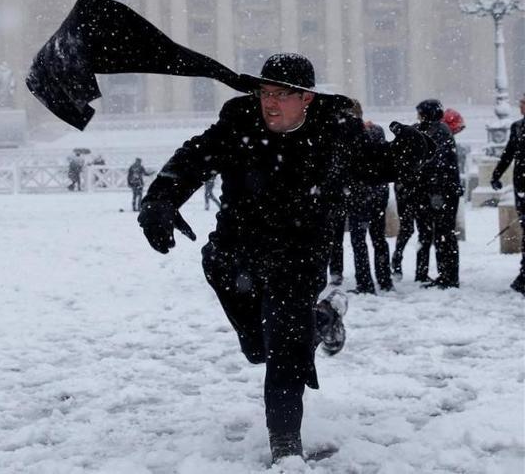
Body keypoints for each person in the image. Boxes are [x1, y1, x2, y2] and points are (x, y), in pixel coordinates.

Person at [136, 53, 431, 463]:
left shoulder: (336, 127)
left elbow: (373, 165)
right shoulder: (239, 121)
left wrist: (408, 153)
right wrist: (160, 199)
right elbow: (194, 157)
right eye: (264, 92)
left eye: (281, 95)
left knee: (286, 348)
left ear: (306, 98)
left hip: (299, 253)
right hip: (234, 252)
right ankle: (324, 318)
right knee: (259, 349)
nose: (269, 103)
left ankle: (286, 444)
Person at [413, 99, 463, 289]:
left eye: (419, 113)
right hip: (440, 190)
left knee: (444, 235)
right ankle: (446, 274)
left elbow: (437, 164)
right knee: (442, 235)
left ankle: (448, 277)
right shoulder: (437, 130)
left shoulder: (439, 131)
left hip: (442, 192)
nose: (417, 116)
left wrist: (433, 189)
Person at [347, 102, 393, 293]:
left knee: (359, 241)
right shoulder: (377, 131)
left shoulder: (349, 135)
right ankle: (384, 280)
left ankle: (365, 283)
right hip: (378, 191)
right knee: (378, 238)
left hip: (359, 193)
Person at [490, 92, 525, 295]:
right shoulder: (517, 127)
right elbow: (509, 153)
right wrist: (496, 174)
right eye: (520, 103)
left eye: (523, 103)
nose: (520, 107)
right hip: (521, 187)